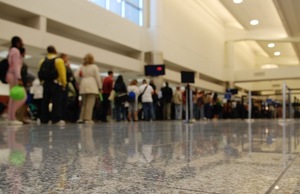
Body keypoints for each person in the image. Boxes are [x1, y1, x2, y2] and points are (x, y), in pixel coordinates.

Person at [39, 45, 66, 125]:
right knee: (56, 101)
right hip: (55, 83)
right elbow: (62, 73)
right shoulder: (59, 60)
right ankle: (55, 119)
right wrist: (64, 83)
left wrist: (42, 82)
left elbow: (40, 72)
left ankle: (44, 118)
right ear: (55, 51)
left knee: (45, 101)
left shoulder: (42, 60)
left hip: (46, 83)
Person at [75, 53, 102, 124]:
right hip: (92, 85)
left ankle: (81, 118)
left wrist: (80, 82)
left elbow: (76, 75)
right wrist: (100, 87)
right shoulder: (94, 67)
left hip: (83, 84)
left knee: (83, 103)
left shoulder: (81, 66)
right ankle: (88, 118)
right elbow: (97, 78)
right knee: (90, 103)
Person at [5, 36, 26, 125]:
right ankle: (12, 117)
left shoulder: (11, 50)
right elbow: (16, 66)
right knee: (23, 97)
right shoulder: (16, 51)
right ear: (17, 42)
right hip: (14, 75)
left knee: (12, 98)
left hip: (10, 74)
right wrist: (19, 78)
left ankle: (10, 117)